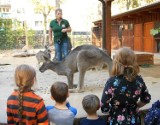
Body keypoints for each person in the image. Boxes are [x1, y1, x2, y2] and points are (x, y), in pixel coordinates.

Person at [101, 47, 151, 125]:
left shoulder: (111, 81)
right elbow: (146, 98)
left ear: (116, 63)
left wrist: (110, 109)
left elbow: (104, 105)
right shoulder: (139, 80)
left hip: (115, 120)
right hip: (134, 120)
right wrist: (136, 106)